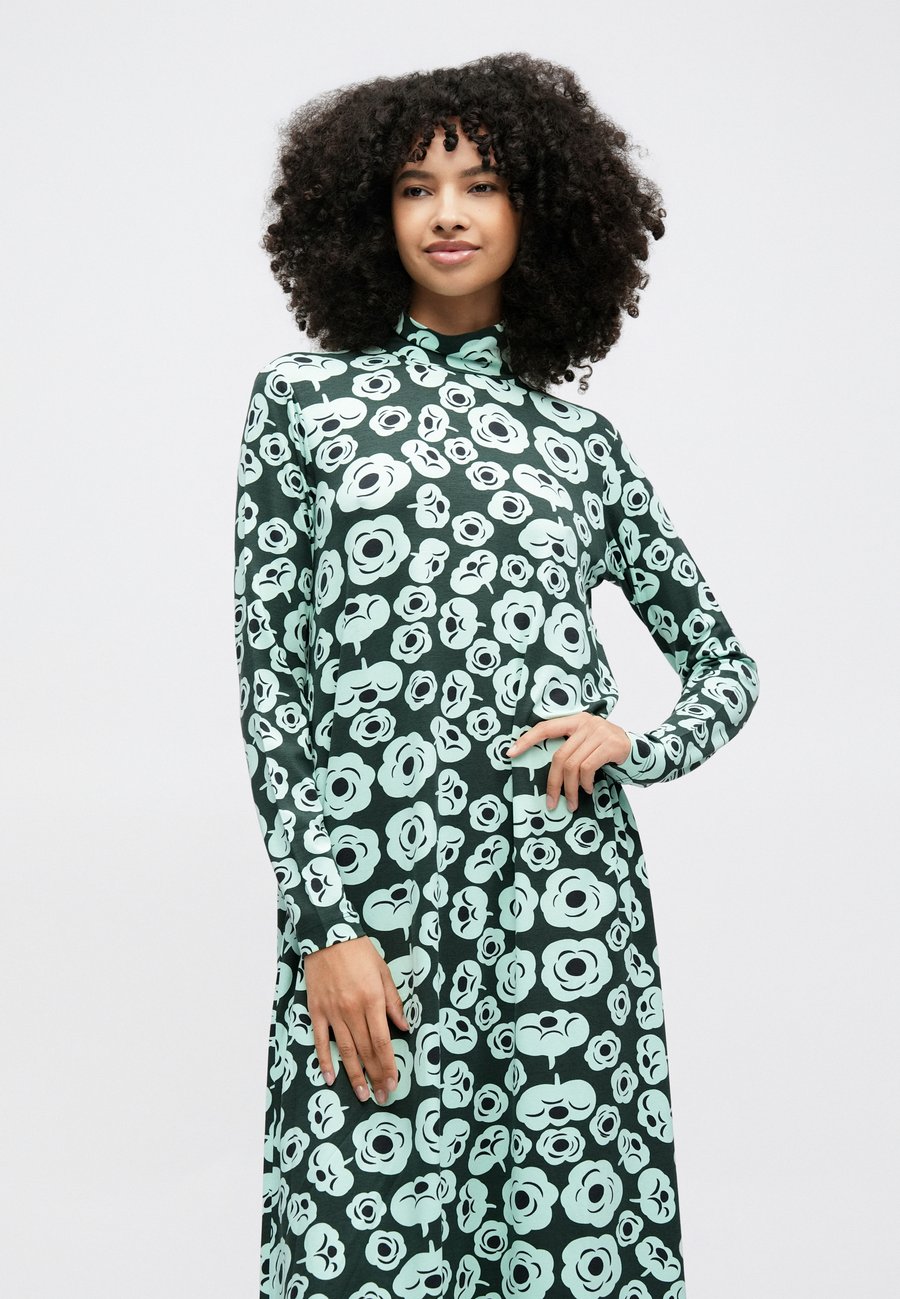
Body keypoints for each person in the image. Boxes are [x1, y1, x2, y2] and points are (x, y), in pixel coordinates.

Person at [233, 51, 760, 1299]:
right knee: (362, 1245)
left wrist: (636, 743)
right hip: (379, 900)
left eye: (481, 184)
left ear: (541, 210)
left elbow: (724, 665)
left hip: (565, 902)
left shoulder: (582, 444)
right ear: (370, 217)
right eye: (416, 188)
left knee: (570, 1253)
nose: (449, 213)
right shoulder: (303, 408)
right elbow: (275, 692)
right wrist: (326, 927)